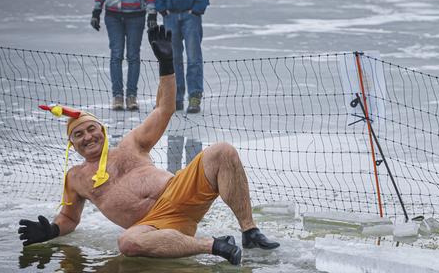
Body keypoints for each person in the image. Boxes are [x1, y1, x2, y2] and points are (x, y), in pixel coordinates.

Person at [17, 26, 279, 265]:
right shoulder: (75, 178)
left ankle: (250, 231)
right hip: (154, 226)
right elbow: (70, 219)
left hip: (180, 192)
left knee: (222, 151)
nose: (87, 137)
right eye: (78, 135)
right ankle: (213, 245)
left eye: (91, 129)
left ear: (102, 131)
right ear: (72, 145)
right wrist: (51, 231)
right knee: (128, 242)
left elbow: (164, 109)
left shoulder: (131, 145)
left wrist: (166, 64)